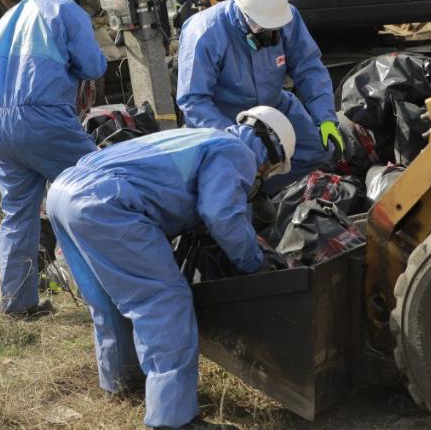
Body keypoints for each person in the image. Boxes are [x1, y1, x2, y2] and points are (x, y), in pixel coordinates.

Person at [46, 106, 295, 430]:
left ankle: (120, 383)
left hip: (64, 193)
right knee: (165, 301)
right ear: (269, 149)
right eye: (272, 167)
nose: (263, 174)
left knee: (107, 301)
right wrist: (254, 264)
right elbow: (222, 215)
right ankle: (173, 420)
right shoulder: (238, 153)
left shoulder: (203, 138)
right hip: (105, 203)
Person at [0, 0, 107, 318]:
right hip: (43, 121)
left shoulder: (3, 20)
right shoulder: (67, 12)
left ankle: (17, 307)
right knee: (102, 189)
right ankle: (112, 291)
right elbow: (93, 67)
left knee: (17, 214)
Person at [175, 0, 342, 191]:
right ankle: (249, 195)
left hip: (275, 106)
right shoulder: (205, 32)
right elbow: (193, 101)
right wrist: (233, 139)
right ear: (243, 13)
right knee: (239, 168)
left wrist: (325, 117)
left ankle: (265, 192)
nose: (271, 34)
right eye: (263, 29)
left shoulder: (286, 17)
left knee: (319, 149)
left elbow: (308, 67)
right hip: (228, 119)